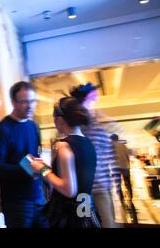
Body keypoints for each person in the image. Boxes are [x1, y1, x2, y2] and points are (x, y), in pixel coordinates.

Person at [30, 97, 101, 228]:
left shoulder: (63, 146)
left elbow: (69, 189)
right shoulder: (88, 143)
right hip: (86, 209)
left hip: (68, 214)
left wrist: (41, 170)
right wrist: (47, 169)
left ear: (59, 119)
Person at [0, 81, 48, 228]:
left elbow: (36, 156)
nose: (30, 106)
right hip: (16, 202)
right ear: (13, 102)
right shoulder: (2, 129)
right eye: (24, 102)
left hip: (39, 198)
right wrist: (27, 170)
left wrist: (43, 170)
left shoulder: (33, 126)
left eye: (33, 101)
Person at [70, 83, 120, 228]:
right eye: (91, 100)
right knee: (93, 223)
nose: (94, 105)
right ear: (81, 103)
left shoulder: (98, 125)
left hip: (102, 186)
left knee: (108, 222)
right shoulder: (78, 128)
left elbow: (109, 154)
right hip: (87, 188)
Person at [110, 134, 138, 223]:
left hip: (115, 167)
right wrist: (128, 165)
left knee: (118, 183)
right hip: (125, 166)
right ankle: (130, 197)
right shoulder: (123, 145)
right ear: (117, 138)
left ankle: (121, 199)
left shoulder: (110, 147)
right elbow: (127, 156)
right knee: (127, 182)